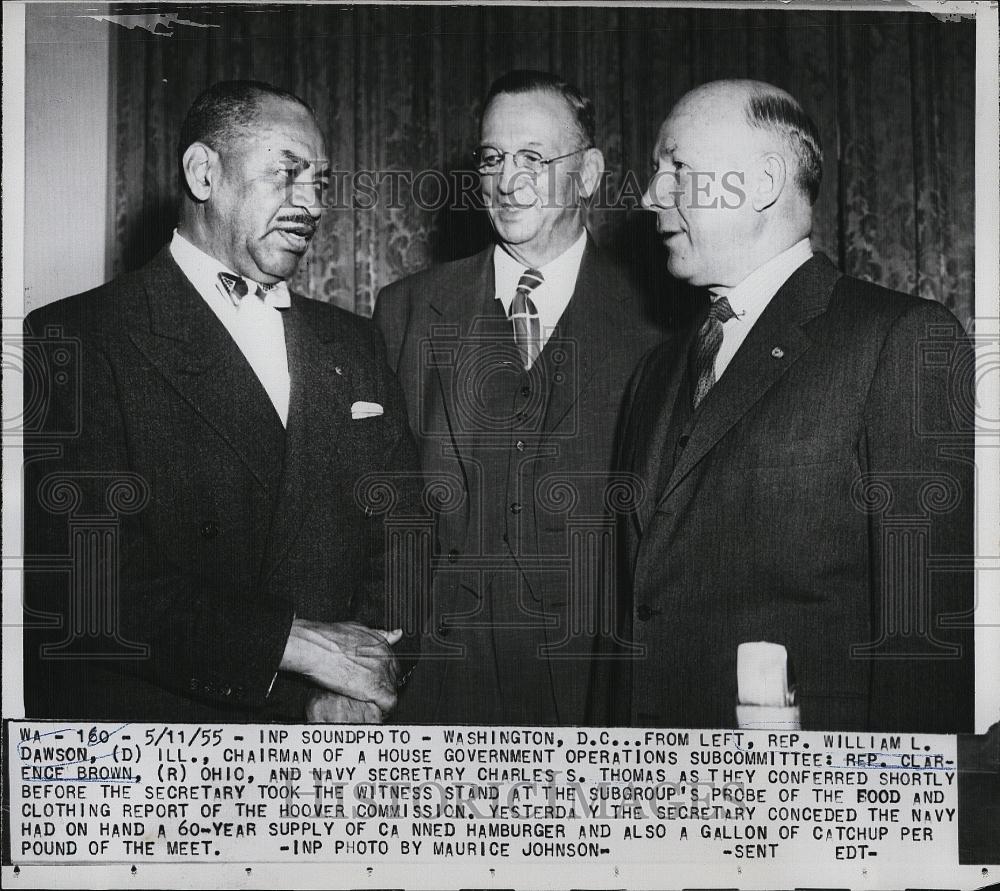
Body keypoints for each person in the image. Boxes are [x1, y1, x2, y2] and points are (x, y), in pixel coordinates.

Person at [23, 80, 422, 723]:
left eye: (318, 183)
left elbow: (404, 533)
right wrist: (297, 652)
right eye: (286, 174)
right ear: (203, 172)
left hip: (346, 733)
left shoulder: (354, 340)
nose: (311, 205)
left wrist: (362, 680)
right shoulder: (76, 338)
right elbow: (87, 583)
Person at [616, 79, 974, 732]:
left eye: (677, 168)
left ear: (763, 182)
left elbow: (923, 650)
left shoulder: (899, 339)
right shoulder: (655, 371)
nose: (650, 195)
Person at [374, 70, 662, 725]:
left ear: (589, 174)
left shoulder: (659, 322)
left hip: (599, 691)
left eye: (533, 157)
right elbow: (376, 508)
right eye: (493, 158)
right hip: (438, 688)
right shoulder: (407, 310)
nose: (508, 181)